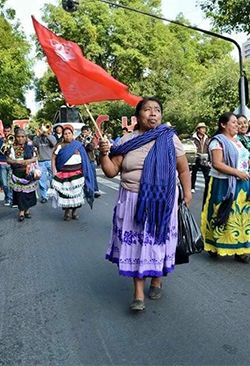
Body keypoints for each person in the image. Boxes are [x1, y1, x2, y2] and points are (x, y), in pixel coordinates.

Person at [99, 97, 191, 311]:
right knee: (137, 246)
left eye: (157, 110)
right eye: (147, 110)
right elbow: (111, 171)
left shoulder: (170, 139)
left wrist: (187, 193)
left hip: (162, 202)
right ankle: (138, 293)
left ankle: (157, 278)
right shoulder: (126, 141)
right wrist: (104, 154)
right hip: (132, 201)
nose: (153, 113)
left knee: (158, 242)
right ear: (137, 116)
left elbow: (183, 169)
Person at [201, 112, 250, 263]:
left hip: (242, 183)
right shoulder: (218, 142)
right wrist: (237, 172)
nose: (237, 125)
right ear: (223, 124)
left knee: (241, 216)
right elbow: (217, 164)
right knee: (222, 214)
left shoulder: (238, 141)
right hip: (224, 183)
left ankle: (241, 249)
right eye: (234, 122)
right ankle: (216, 246)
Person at [50, 125, 95, 221]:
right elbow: (53, 158)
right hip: (64, 174)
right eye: (65, 134)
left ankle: (74, 211)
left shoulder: (78, 145)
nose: (67, 136)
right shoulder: (59, 146)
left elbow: (84, 159)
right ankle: (67, 211)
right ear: (63, 135)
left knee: (77, 194)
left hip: (77, 174)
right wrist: (54, 170)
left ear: (72, 134)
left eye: (69, 133)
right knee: (65, 194)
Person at [6, 128, 39, 221]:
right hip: (17, 174)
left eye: (22, 136)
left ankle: (27, 210)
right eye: (18, 137)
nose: (20, 138)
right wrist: (16, 161)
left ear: (26, 137)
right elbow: (8, 159)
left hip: (29, 173)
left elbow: (36, 157)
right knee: (19, 194)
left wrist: (28, 161)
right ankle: (21, 211)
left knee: (29, 193)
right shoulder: (11, 147)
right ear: (15, 137)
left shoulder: (31, 147)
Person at [33, 124, 57, 203]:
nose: (43, 130)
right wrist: (39, 135)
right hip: (41, 161)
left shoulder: (52, 136)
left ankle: (56, 192)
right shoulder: (37, 138)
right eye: (42, 129)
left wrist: (47, 135)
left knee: (54, 177)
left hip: (51, 160)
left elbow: (54, 144)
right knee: (42, 180)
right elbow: (35, 144)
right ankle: (44, 196)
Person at [76, 125, 101, 198]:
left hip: (90, 159)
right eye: (83, 132)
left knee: (92, 175)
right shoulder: (78, 138)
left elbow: (92, 147)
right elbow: (77, 147)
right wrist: (82, 141)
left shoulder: (92, 138)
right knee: (82, 176)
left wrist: (87, 142)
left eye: (86, 132)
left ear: (89, 132)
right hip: (81, 160)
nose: (85, 133)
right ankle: (85, 191)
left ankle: (95, 190)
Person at [191, 122, 210, 193]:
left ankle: (207, 188)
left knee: (207, 174)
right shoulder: (193, 138)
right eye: (202, 128)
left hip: (205, 158)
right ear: (198, 130)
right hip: (196, 157)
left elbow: (209, 148)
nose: (204, 130)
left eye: (204, 128)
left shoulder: (207, 138)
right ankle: (192, 187)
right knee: (194, 173)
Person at [0, 125, 13, 206]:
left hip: (11, 163)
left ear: (11, 131)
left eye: (8, 131)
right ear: (3, 132)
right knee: (4, 184)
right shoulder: (1, 140)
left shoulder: (13, 139)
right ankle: (7, 198)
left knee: (11, 183)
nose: (7, 133)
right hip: (2, 163)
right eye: (5, 131)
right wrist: (4, 144)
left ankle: (11, 198)